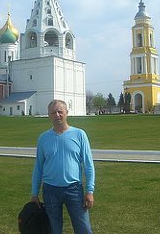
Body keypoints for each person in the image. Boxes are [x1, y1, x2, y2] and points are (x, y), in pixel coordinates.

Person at [31, 99, 95, 234]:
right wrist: (34, 193)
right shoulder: (43, 138)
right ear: (49, 115)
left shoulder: (79, 135)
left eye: (60, 111)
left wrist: (90, 191)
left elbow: (88, 165)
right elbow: (38, 167)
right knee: (54, 229)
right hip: (50, 191)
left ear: (67, 113)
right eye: (53, 112)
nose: (57, 115)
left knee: (84, 229)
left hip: (74, 190)